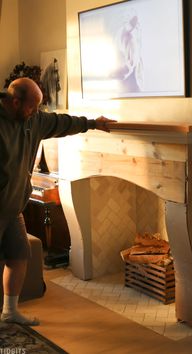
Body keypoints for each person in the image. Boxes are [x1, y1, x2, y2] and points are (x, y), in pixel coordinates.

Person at [0, 77, 116, 326]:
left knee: (19, 255)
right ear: (15, 101)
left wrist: (94, 123)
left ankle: (9, 311)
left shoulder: (34, 121)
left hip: (13, 210)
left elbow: (62, 122)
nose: (35, 112)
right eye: (31, 106)